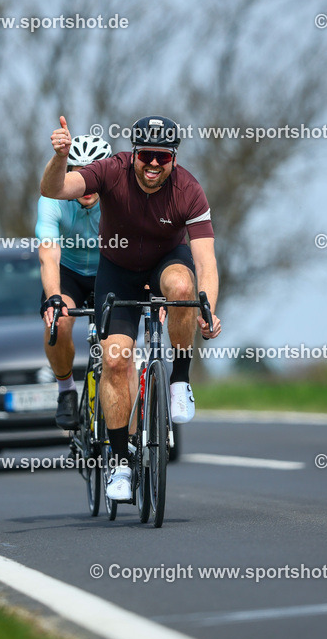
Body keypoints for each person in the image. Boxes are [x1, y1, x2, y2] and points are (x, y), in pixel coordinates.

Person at [40, 115, 222, 502]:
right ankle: (121, 462)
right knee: (117, 361)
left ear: (172, 158)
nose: (153, 164)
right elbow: (56, 188)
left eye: (162, 156)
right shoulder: (111, 170)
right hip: (117, 270)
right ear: (133, 153)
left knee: (183, 286)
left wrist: (208, 308)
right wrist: (59, 157)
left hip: (164, 262)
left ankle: (179, 381)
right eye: (145, 156)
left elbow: (205, 261)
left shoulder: (189, 190)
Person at [37, 134, 113, 429]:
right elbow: (48, 255)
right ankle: (65, 389)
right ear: (67, 174)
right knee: (58, 321)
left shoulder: (117, 199)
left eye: (92, 171)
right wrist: (54, 297)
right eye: (76, 170)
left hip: (109, 270)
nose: (85, 180)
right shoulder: (52, 200)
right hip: (67, 272)